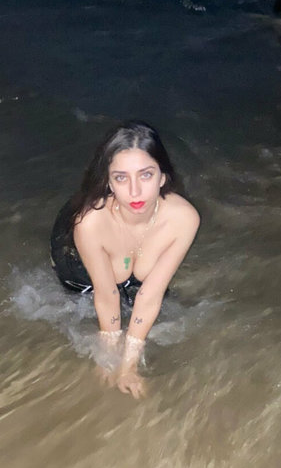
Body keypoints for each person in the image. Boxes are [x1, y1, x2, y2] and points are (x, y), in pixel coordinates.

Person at [50, 120, 200, 398]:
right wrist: (107, 357)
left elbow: (150, 296)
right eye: (121, 178)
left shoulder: (184, 219)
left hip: (131, 260)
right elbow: (106, 296)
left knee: (159, 306)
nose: (134, 191)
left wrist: (129, 366)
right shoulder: (90, 223)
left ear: (163, 177)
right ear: (108, 182)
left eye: (146, 175)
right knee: (80, 301)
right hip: (75, 255)